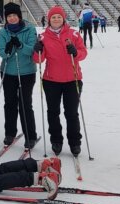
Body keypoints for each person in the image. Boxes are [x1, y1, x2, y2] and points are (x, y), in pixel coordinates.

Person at [32, 6, 88, 157]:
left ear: (63, 19)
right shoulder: (43, 37)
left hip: (73, 79)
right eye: (53, 17)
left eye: (59, 17)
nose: (56, 19)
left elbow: (83, 53)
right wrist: (38, 50)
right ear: (49, 19)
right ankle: (56, 140)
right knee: (53, 112)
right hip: (51, 80)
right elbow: (38, 60)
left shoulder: (73, 34)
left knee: (71, 113)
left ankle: (75, 142)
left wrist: (76, 53)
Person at [0, 2, 39, 149]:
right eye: (9, 16)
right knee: (9, 103)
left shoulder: (30, 29)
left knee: (24, 104)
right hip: (8, 72)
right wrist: (9, 48)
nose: (12, 18)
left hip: (26, 72)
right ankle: (10, 133)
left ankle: (30, 135)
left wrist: (20, 45)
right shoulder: (3, 32)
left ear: (19, 16)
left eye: (14, 15)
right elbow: (3, 53)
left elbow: (32, 51)